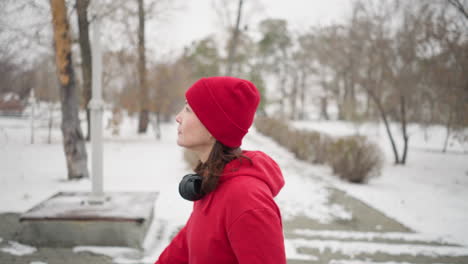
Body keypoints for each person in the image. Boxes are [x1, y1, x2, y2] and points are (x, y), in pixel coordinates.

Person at [155, 76, 286, 264]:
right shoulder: (211, 183)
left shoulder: (246, 199)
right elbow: (182, 251)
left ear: (212, 127)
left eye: (188, 110)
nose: (178, 117)